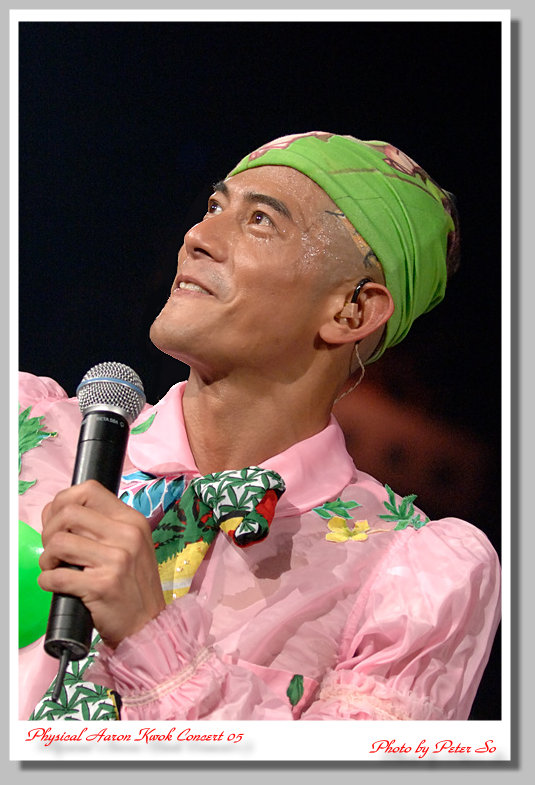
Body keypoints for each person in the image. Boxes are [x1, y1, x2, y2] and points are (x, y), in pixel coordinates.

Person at [18, 131, 500, 721]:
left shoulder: (409, 575)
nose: (197, 237)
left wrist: (152, 640)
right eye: (214, 207)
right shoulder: (27, 434)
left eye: (260, 220)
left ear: (352, 309)